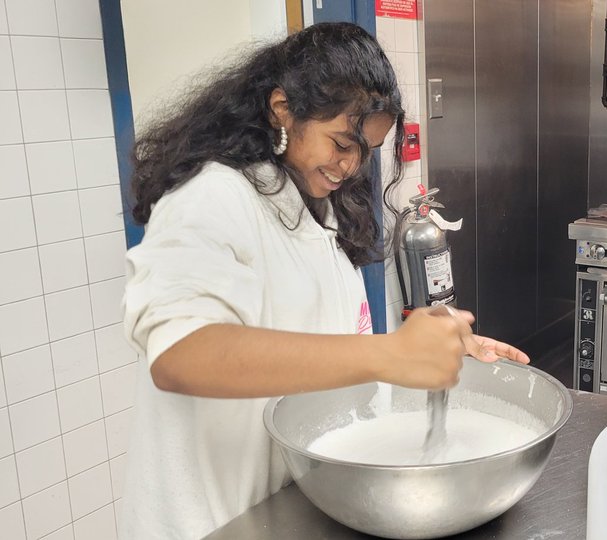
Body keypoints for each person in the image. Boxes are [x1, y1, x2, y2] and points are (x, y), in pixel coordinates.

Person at [120, 23, 528, 539]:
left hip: (285, 511)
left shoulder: (319, 212)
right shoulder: (212, 198)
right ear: (281, 108)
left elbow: (329, 354)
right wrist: (389, 355)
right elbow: (179, 356)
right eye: (341, 142)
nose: (351, 165)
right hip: (208, 522)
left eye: (365, 150)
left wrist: (426, 348)